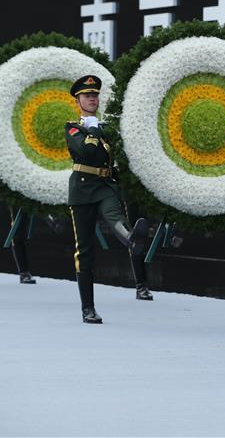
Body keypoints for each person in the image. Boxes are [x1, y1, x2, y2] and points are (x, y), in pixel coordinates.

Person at [65, 75, 152, 324]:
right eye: (87, 96)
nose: (92, 99)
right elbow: (87, 150)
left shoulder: (106, 127)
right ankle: (88, 308)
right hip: (82, 189)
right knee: (85, 250)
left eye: (95, 95)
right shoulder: (73, 127)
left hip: (105, 185)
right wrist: (93, 128)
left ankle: (130, 239)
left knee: (115, 215)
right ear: (78, 100)